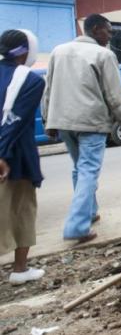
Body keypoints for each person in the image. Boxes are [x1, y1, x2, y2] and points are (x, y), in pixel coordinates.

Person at [42, 14, 121, 242]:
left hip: (63, 121)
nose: (110, 35)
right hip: (91, 121)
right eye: (108, 31)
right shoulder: (104, 54)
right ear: (95, 29)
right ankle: (76, 226)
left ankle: (89, 213)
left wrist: (48, 120)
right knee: (88, 170)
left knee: (79, 168)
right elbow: (115, 95)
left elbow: (48, 88)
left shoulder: (58, 51)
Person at [0, 29, 46, 285]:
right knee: (21, 211)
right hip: (14, 159)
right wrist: (2, 154)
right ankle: (19, 269)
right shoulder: (30, 81)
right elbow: (13, 122)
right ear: (26, 51)